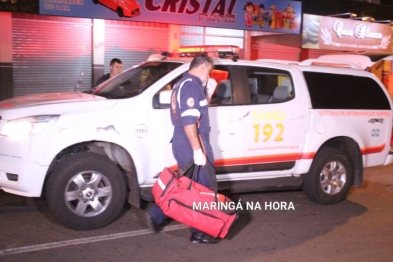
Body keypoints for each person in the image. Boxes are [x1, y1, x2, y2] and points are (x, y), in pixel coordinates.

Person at [146, 53, 217, 244]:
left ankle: (158, 214)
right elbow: (189, 121)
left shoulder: (182, 84)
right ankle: (199, 231)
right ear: (202, 67)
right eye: (209, 71)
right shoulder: (191, 85)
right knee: (202, 188)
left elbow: (198, 112)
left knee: (187, 186)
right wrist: (197, 150)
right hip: (192, 141)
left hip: (183, 140)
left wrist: (208, 92)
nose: (209, 76)